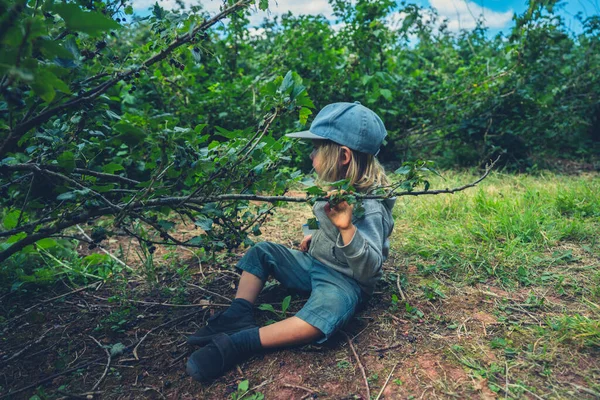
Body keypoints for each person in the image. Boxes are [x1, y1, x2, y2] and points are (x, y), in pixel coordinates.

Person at [185, 101, 396, 382]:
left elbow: (369, 269)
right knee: (262, 252)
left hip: (345, 281)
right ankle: (238, 313)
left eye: (317, 149)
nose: (312, 156)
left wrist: (347, 228)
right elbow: (324, 225)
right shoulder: (334, 190)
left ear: (343, 155)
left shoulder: (369, 207)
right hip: (316, 263)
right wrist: (316, 237)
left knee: (324, 316)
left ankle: (241, 343)